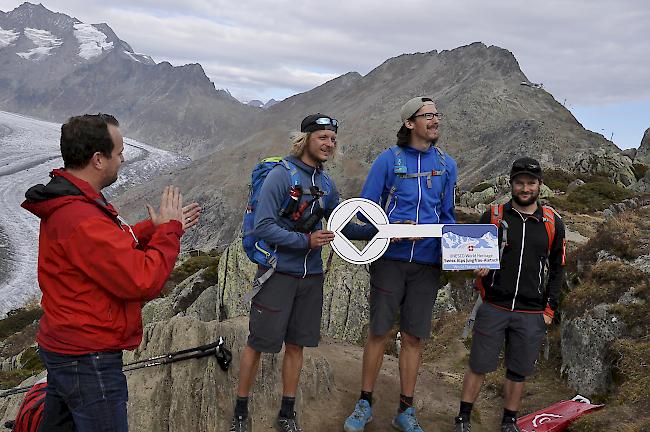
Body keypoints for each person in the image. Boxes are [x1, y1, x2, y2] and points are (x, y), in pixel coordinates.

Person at [21, 113, 200, 432]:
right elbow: (142, 279)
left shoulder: (72, 203)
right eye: (118, 153)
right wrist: (169, 231)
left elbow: (105, 248)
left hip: (64, 346)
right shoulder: (82, 217)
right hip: (88, 357)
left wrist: (150, 229)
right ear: (98, 159)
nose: (122, 159)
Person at [230, 114, 375, 432]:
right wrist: (304, 241)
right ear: (306, 138)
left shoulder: (325, 183)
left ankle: (287, 411)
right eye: (322, 137)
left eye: (333, 139)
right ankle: (240, 410)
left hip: (311, 278)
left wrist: (382, 229)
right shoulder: (281, 176)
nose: (329, 143)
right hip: (277, 273)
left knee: (296, 345)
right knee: (258, 342)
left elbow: (341, 222)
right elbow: (264, 226)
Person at [344, 97, 457, 432]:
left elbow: (448, 215)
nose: (436, 120)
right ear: (410, 123)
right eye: (428, 116)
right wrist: (387, 233)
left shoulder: (446, 164)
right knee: (379, 332)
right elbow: (364, 211)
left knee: (413, 338)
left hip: (427, 264)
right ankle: (364, 403)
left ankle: (405, 410)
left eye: (437, 115)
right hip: (389, 261)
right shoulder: (388, 161)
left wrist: (456, 256)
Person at [453, 157, 566, 432]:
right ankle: (463, 419)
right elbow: (472, 257)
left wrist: (549, 310)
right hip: (494, 305)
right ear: (511, 184)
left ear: (540, 185)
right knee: (478, 365)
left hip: (531, 312)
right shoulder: (492, 216)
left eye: (531, 183)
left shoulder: (552, 223)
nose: (525, 188)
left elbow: (558, 269)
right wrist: (475, 270)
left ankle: (509, 422)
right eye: (520, 183)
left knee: (518, 371)